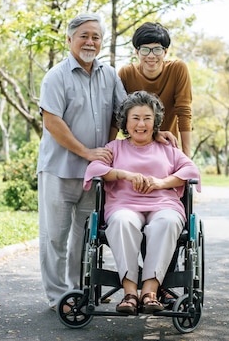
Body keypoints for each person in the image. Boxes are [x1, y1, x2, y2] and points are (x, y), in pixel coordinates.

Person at [37, 13, 127, 310]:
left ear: (102, 42)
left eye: (96, 36)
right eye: (84, 35)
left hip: (94, 176)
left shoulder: (110, 75)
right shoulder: (56, 76)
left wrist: (109, 147)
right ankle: (58, 297)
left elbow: (122, 114)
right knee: (55, 239)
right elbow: (52, 122)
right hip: (59, 172)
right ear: (69, 40)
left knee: (84, 240)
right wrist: (87, 152)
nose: (90, 41)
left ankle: (78, 292)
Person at [82, 91, 201, 315]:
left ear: (155, 122)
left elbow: (191, 170)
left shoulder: (168, 149)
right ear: (126, 121)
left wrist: (160, 182)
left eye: (147, 118)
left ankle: (149, 292)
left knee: (167, 222)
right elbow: (94, 169)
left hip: (163, 205)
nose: (141, 124)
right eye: (135, 118)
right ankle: (129, 293)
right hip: (125, 205)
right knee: (121, 222)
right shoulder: (115, 148)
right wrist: (124, 175)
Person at [118, 22, 193, 157]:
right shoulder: (126, 73)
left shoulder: (177, 69)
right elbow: (119, 115)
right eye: (145, 50)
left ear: (165, 51)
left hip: (168, 146)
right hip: (136, 147)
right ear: (136, 52)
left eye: (157, 49)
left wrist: (187, 157)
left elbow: (184, 112)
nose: (151, 56)